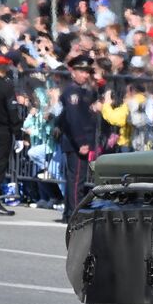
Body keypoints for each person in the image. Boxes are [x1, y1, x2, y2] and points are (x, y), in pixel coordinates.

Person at [55, 54, 100, 221]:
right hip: (77, 141)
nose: (85, 75)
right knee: (76, 180)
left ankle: (69, 212)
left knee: (74, 178)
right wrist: (81, 141)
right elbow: (74, 119)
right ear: (73, 72)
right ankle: (74, 213)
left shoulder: (83, 91)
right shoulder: (72, 92)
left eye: (87, 72)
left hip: (78, 140)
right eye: (81, 71)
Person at [0, 56, 18, 215]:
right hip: (2, 131)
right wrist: (17, 132)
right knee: (0, 165)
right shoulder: (6, 86)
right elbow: (12, 110)